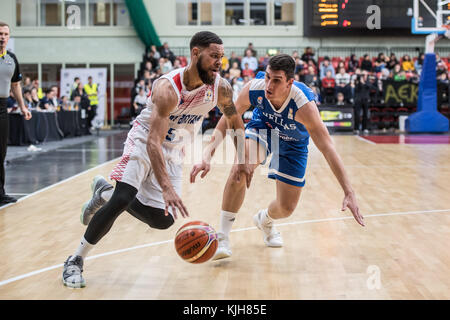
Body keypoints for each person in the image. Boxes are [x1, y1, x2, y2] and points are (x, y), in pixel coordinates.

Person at [62, 31, 253, 288]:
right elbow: (153, 142)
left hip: (174, 150)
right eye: (214, 56)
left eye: (221, 56)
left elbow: (233, 121)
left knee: (163, 220)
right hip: (145, 141)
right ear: (195, 53)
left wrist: (241, 158)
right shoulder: (168, 88)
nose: (219, 62)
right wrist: (166, 188)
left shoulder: (222, 88)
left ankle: (104, 193)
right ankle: (75, 260)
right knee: (123, 198)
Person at [191, 54, 364, 260]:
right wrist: (207, 155)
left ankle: (265, 220)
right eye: (268, 77)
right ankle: (223, 237)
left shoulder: (304, 106)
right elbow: (229, 115)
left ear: (290, 82)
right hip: (263, 129)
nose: (269, 85)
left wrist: (349, 191)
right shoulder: (255, 88)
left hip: (293, 142)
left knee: (286, 207)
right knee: (241, 166)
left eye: (276, 80)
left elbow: (328, 148)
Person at [0, 21, 32, 206]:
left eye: (5, 34)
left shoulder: (11, 59)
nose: (2, 37)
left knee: (1, 152)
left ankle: (0, 193)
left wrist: (23, 107)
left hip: (3, 107)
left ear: (8, 37)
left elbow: (16, 85)